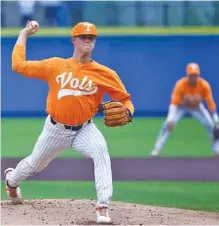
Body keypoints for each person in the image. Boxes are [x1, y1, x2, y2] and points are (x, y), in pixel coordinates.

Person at [4, 21, 134, 224]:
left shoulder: (105, 73)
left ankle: (102, 206)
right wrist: (23, 34)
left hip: (85, 128)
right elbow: (18, 65)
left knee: (101, 151)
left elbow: (125, 99)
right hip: (55, 129)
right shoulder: (55, 66)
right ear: (73, 40)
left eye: (91, 38)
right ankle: (11, 180)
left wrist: (128, 111)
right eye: (83, 37)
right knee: (34, 165)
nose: (88, 40)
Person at [151, 63, 219, 157]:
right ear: (188, 75)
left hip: (197, 107)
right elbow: (174, 104)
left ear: (198, 75)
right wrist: (171, 119)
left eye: (195, 75)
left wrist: (216, 120)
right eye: (191, 75)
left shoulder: (204, 85)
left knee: (212, 126)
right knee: (167, 124)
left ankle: (217, 151)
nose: (193, 77)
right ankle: (156, 150)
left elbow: (211, 104)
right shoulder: (180, 84)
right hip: (181, 107)